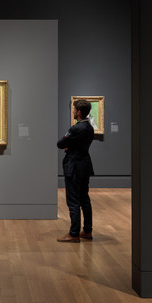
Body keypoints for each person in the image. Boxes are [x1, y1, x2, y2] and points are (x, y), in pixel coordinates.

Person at [57, 98, 95, 243]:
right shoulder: (89, 128)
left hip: (73, 166)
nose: (73, 111)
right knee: (84, 198)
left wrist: (68, 146)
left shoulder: (76, 128)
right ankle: (87, 230)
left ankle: (74, 233)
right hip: (85, 165)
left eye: (74, 109)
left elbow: (60, 144)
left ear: (78, 112)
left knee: (73, 201)